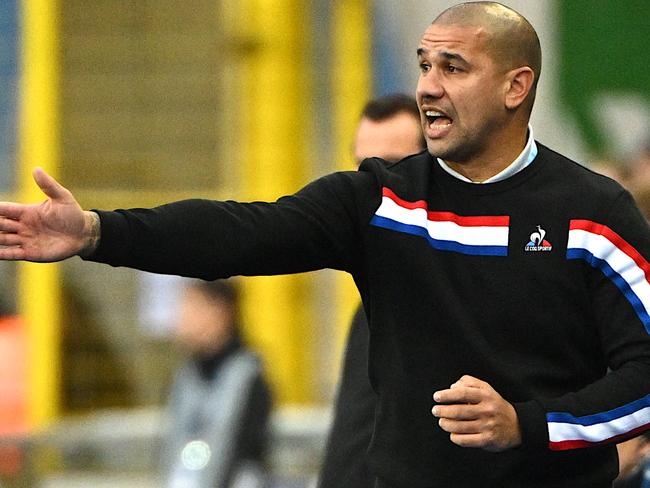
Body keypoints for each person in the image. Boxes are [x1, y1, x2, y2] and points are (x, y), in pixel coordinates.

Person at [1, 2, 650, 486]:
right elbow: (240, 233)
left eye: (454, 67)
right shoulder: (383, 200)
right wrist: (96, 231)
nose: (429, 85)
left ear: (517, 86)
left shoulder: (592, 213)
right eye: (424, 64)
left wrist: (527, 425)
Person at [318, 94, 425, 488]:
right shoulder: (369, 313)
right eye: (364, 168)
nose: (375, 184)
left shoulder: (470, 297)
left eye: (393, 166)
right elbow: (349, 448)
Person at [161, 279, 272, 488]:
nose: (181, 318)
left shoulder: (247, 377)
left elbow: (233, 456)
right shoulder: (187, 375)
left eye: (192, 306)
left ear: (219, 312)